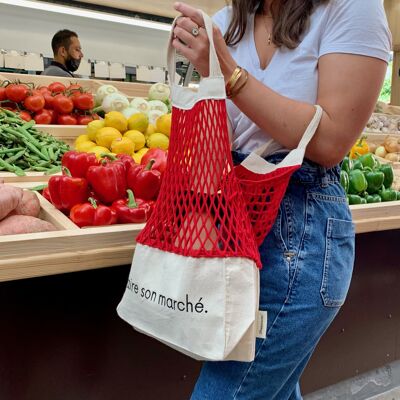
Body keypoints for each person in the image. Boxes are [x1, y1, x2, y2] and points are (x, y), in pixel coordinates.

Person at [172, 0, 391, 399]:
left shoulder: (351, 8)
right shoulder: (226, 22)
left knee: (231, 389)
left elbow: (329, 142)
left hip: (301, 234)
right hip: (233, 224)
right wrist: (201, 207)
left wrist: (230, 75)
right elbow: (208, 133)